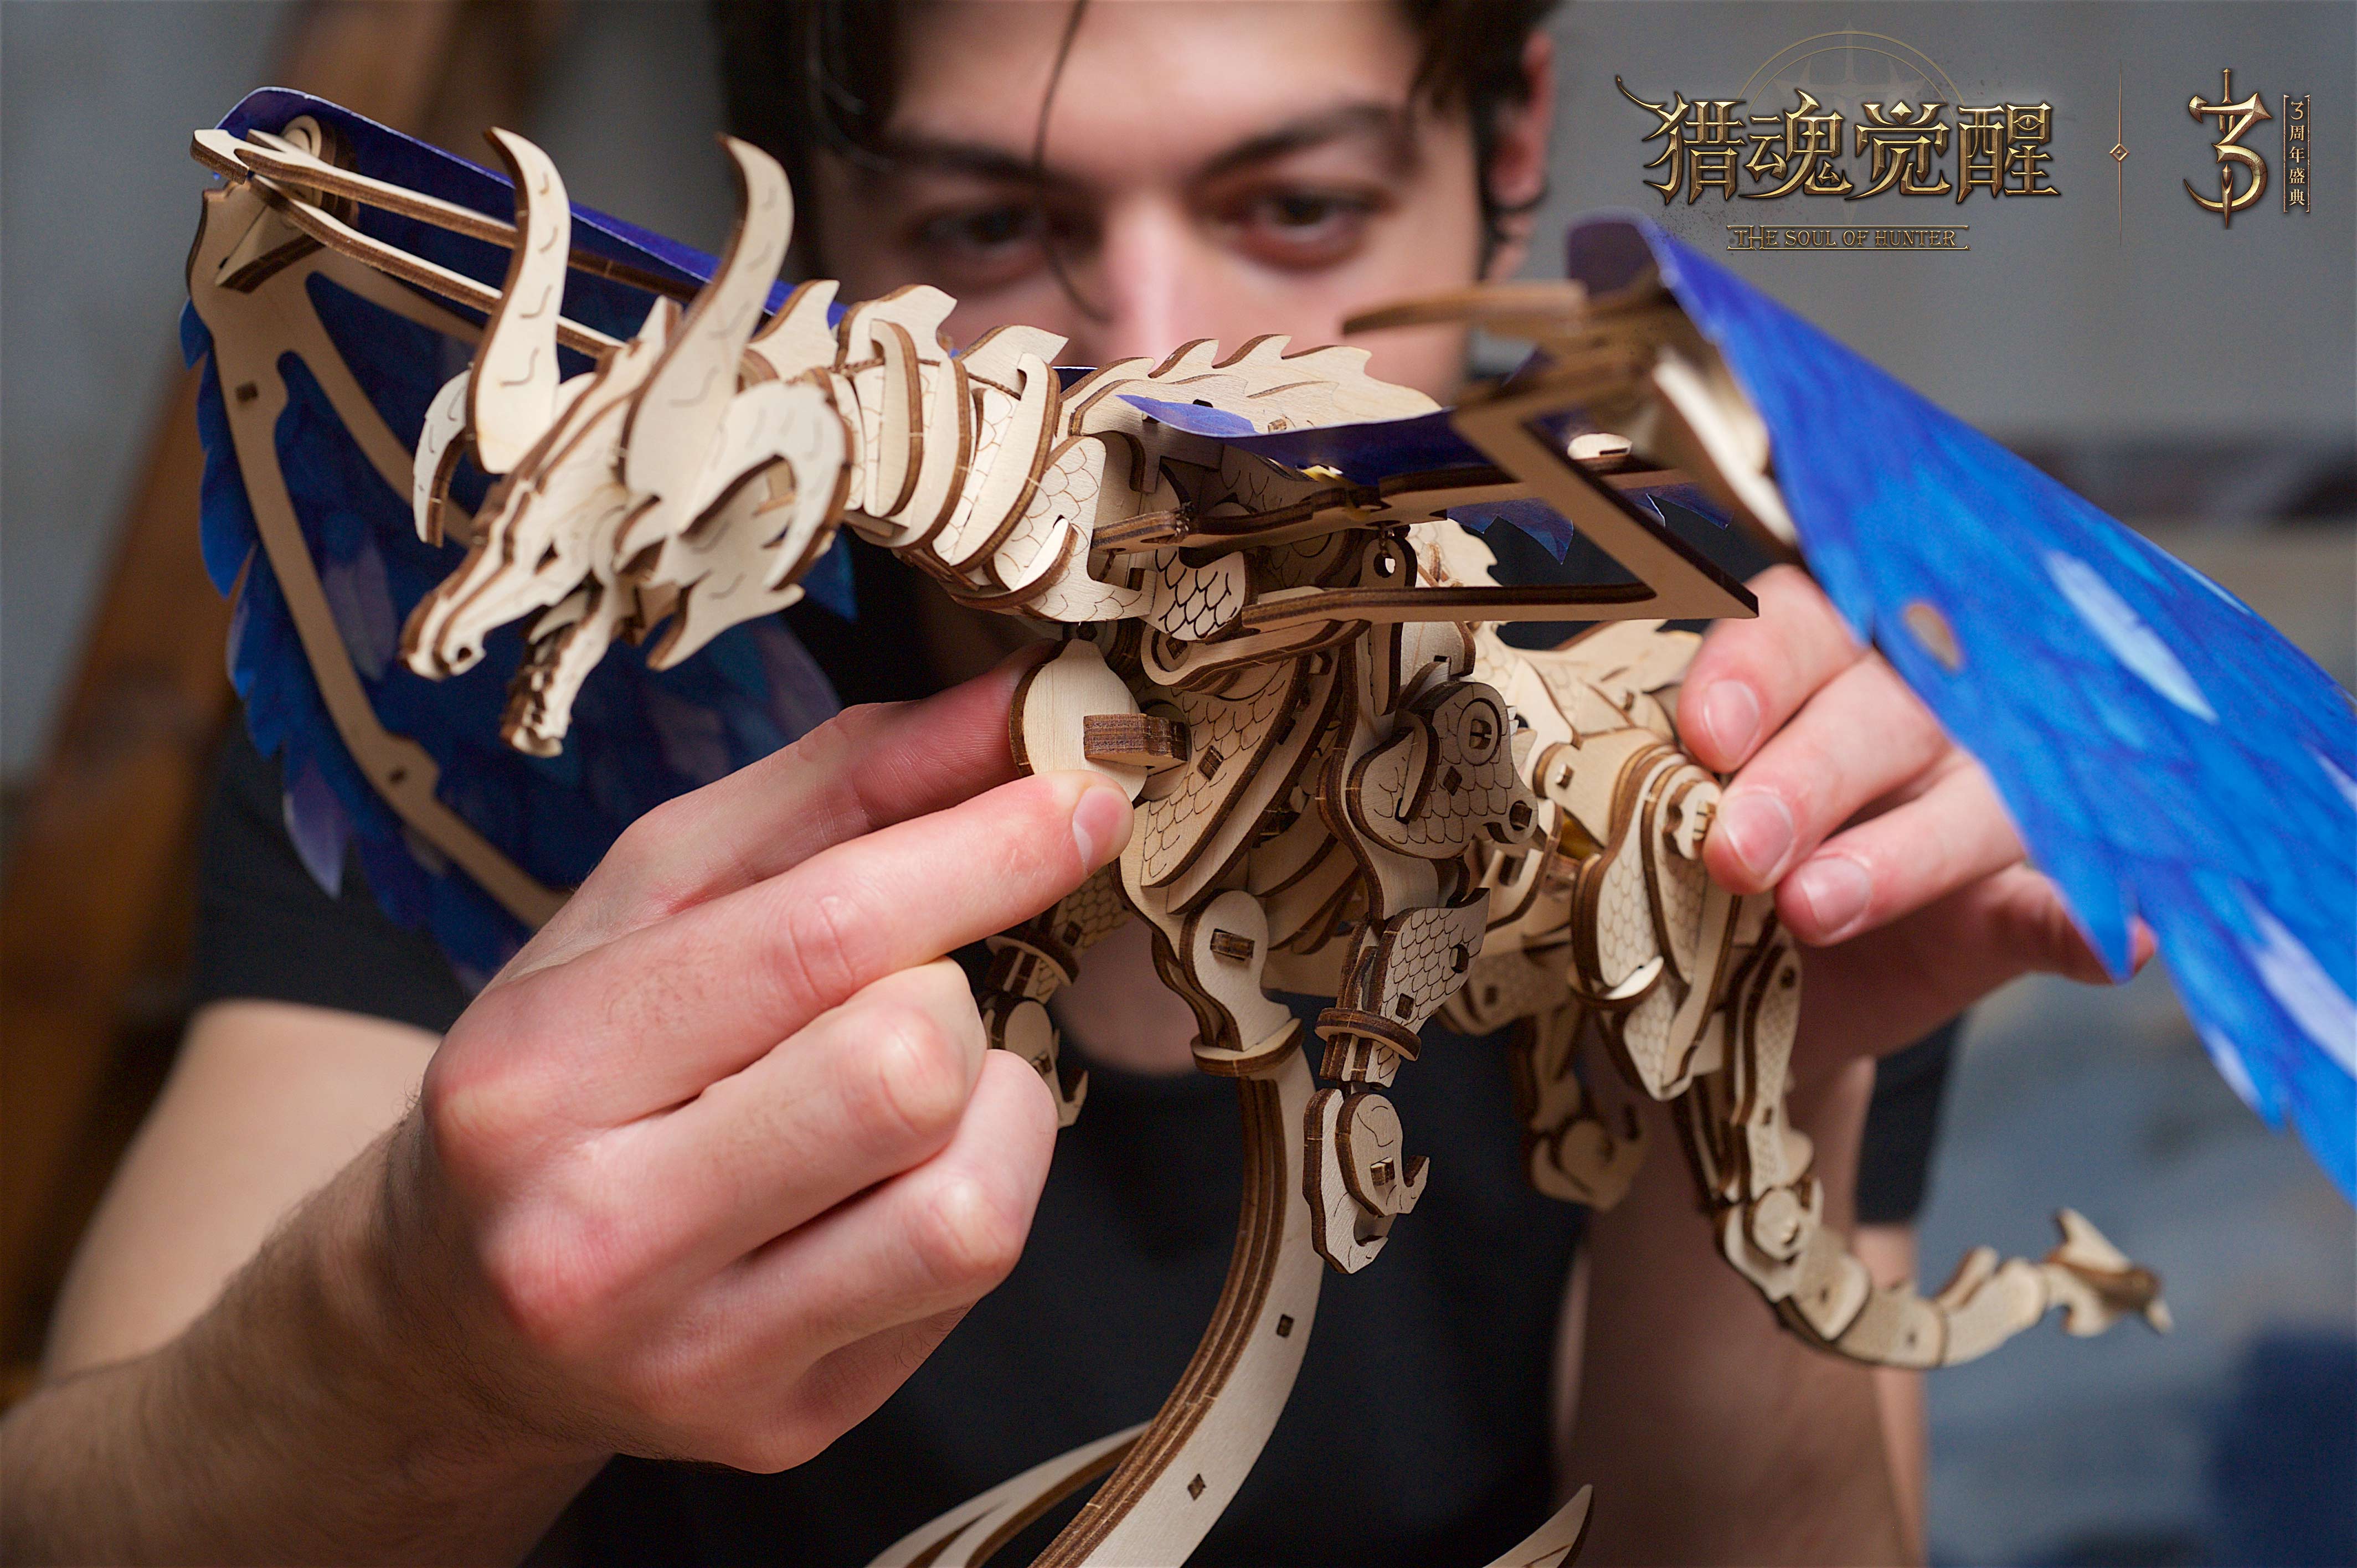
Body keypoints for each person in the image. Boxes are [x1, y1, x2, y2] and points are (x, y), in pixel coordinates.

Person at [1, 4, 2138, 1564]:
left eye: (1297, 211)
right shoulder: (539, 688)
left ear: (1507, 139)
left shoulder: (1743, 677)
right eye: (992, 226)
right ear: (818, 224)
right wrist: (410, 1339)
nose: (1156, 381)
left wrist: (1770, 1055)